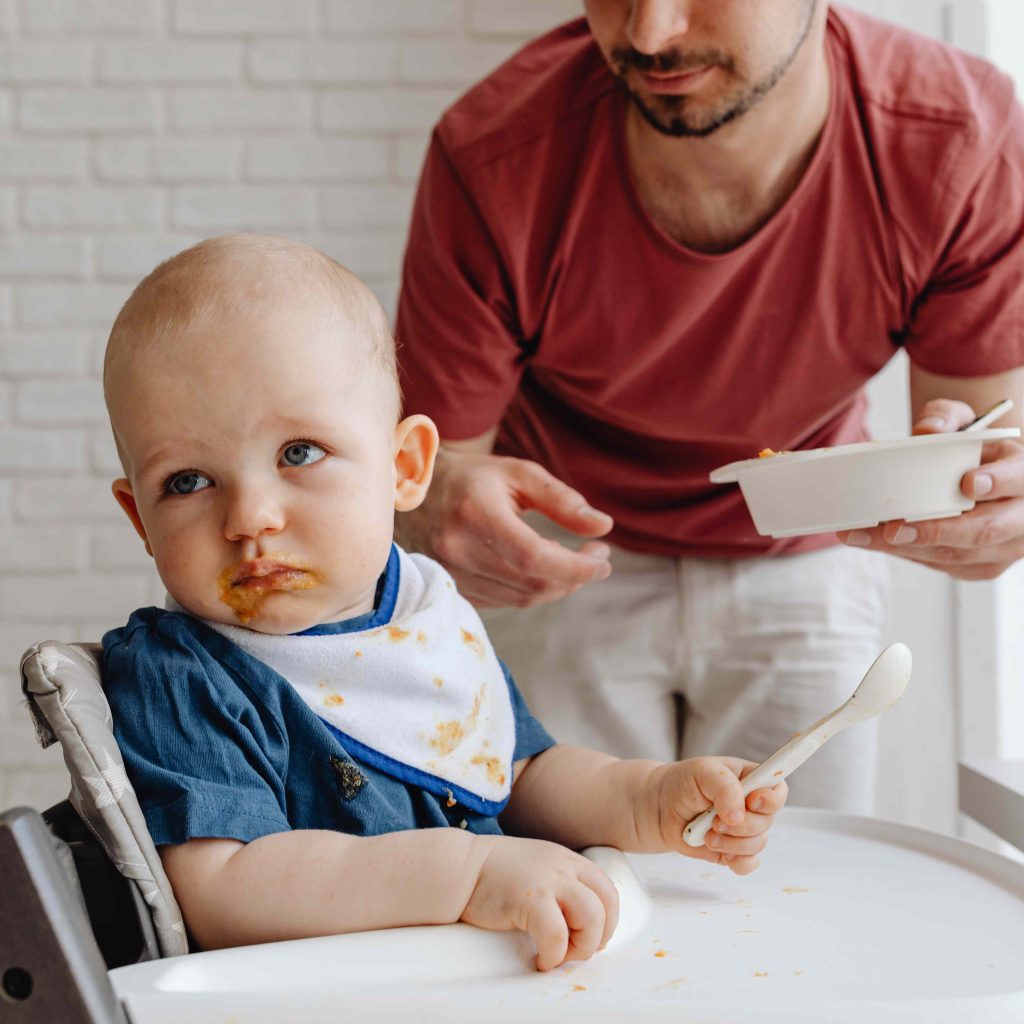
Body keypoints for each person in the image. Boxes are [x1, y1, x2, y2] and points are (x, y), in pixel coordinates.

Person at [395, 0, 1024, 813]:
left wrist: (986, 511)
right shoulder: (493, 152)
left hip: (807, 545)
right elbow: (432, 472)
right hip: (566, 554)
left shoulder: (956, 137)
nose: (650, 35)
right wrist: (427, 506)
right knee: (575, 892)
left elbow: (980, 450)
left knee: (802, 879)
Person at [98, 234, 787, 971]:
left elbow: (517, 775)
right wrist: (467, 874)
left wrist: (646, 797)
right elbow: (227, 890)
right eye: (187, 482)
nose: (250, 516)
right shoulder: (184, 672)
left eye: (298, 453)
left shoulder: (423, 620)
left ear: (405, 468)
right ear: (141, 519)